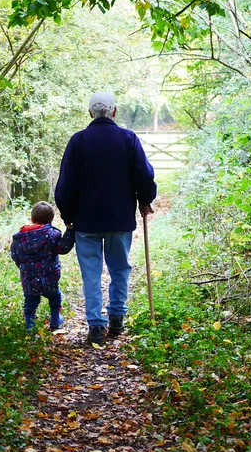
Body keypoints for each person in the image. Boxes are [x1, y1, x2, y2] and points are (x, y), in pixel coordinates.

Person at [54, 92, 157, 344]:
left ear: (90, 113)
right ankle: (117, 318)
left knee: (91, 273)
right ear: (114, 111)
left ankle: (96, 326)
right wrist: (145, 199)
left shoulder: (78, 141)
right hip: (119, 219)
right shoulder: (128, 138)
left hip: (85, 221)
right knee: (120, 268)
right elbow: (144, 175)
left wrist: (68, 217)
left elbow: (65, 185)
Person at [10, 202, 75, 331]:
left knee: (30, 301)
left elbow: (15, 256)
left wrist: (24, 269)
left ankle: (30, 326)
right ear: (51, 220)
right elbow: (63, 248)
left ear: (32, 219)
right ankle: (55, 321)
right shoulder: (52, 235)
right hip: (49, 278)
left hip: (28, 279)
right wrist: (70, 231)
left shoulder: (19, 238)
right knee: (55, 297)